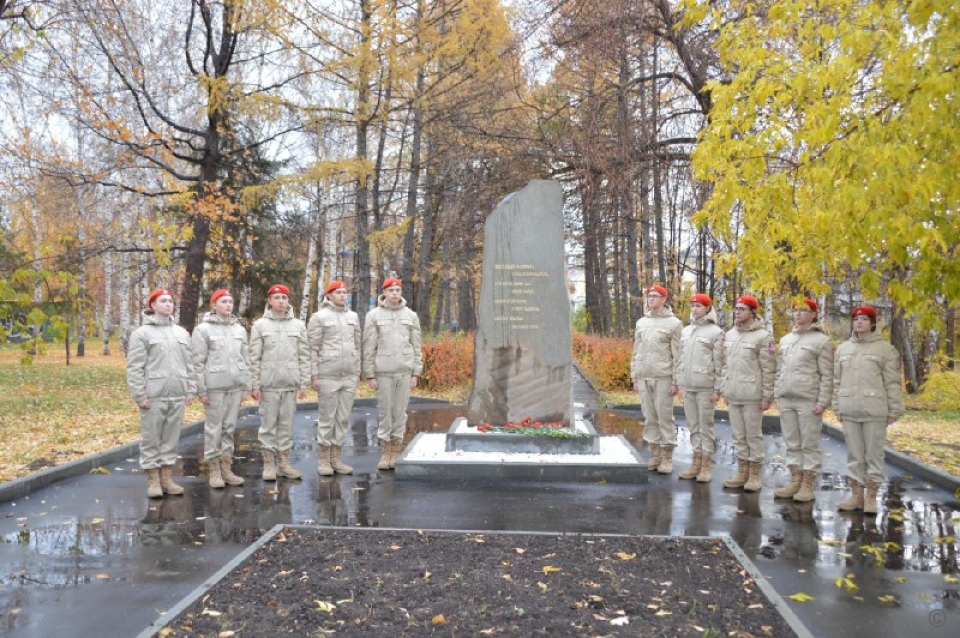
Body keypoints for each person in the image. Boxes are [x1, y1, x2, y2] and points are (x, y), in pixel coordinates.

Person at [833, 306, 904, 515]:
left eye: (864, 319)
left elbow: (892, 382)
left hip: (875, 410)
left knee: (873, 455)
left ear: (872, 323)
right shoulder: (843, 349)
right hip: (849, 408)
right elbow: (837, 382)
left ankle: (871, 496)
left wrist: (895, 409)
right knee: (855, 455)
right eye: (856, 319)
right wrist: (837, 406)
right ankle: (856, 495)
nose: (859, 323)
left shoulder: (885, 350)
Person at [126, 289, 196, 498]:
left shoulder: (181, 333)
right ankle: (153, 480)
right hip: (153, 395)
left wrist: (190, 389)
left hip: (177, 393)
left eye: (170, 301)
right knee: (152, 439)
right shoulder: (142, 334)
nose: (168, 304)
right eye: (163, 301)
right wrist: (140, 395)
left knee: (171, 439)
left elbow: (189, 364)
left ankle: (166, 477)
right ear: (153, 306)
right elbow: (135, 367)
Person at [773, 298, 834, 502]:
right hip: (787, 397)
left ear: (813, 314)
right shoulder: (786, 339)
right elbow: (779, 369)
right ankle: (795, 481)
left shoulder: (821, 341)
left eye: (803, 310)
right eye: (795, 310)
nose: (798, 313)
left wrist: (822, 401)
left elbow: (827, 374)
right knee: (791, 442)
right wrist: (777, 395)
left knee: (809, 444)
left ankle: (808, 484)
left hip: (808, 399)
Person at [191, 289, 251, 489]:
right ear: (214, 305)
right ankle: (214, 470)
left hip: (234, 387)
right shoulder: (203, 330)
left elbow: (245, 359)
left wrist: (246, 386)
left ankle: (227, 468)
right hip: (214, 387)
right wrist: (201, 390)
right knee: (214, 429)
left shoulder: (239, 330)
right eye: (223, 301)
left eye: (231, 302)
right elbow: (197, 362)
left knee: (229, 429)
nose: (228, 305)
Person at [250, 284, 310, 481]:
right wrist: (255, 384)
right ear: (269, 301)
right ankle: (269, 465)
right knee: (268, 426)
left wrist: (304, 383)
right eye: (277, 298)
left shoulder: (298, 326)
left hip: (290, 384)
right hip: (269, 385)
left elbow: (304, 356)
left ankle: (284, 463)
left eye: (284, 298)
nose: (281, 301)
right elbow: (254, 357)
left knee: (286, 425)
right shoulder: (260, 326)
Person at [363, 277, 423, 471]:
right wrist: (370, 374)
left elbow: (416, 346)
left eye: (398, 290)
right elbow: (369, 346)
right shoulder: (373, 315)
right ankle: (385, 452)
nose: (395, 293)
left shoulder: (411, 315)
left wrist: (416, 372)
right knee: (385, 412)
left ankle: (396, 451)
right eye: (391, 290)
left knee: (400, 413)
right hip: (384, 371)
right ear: (384, 293)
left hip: (405, 372)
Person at [720, 295, 776, 492]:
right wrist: (725, 389)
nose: (737, 312)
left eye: (742, 309)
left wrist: (767, 396)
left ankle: (754, 475)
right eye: (736, 309)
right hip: (734, 393)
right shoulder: (730, 335)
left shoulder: (763, 337)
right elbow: (725, 365)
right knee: (738, 435)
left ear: (753, 312)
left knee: (753, 436)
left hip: (752, 394)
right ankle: (742, 472)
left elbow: (768, 369)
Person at [308, 280, 361, 476]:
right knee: (327, 419)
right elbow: (312, 348)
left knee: (343, 419)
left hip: (347, 376)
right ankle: (323, 461)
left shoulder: (353, 317)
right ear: (328, 295)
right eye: (338, 292)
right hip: (327, 375)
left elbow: (357, 346)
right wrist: (314, 376)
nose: (342, 295)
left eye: (344, 292)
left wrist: (357, 373)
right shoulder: (319, 317)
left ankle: (337, 459)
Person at [631, 284, 682, 474]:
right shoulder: (641, 323)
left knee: (664, 417)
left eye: (654, 296)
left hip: (663, 377)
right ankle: (655, 454)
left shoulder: (674, 324)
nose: (650, 299)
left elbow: (678, 355)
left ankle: (667, 457)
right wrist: (635, 376)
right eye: (648, 296)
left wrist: (676, 381)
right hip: (644, 376)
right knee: (650, 417)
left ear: (663, 299)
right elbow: (636, 350)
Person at [676, 293, 724, 482]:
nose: (695, 309)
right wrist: (680, 383)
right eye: (692, 305)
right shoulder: (686, 331)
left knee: (706, 427)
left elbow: (719, 363)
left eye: (699, 306)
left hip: (705, 386)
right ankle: (695, 463)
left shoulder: (715, 332)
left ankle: (706, 466)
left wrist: (717, 388)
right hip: (688, 386)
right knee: (693, 426)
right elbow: (681, 359)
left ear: (707, 308)